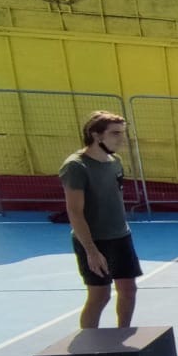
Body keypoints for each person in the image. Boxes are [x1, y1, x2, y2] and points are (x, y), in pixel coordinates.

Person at [62, 111, 142, 329]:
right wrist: (91, 250)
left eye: (122, 133)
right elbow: (75, 212)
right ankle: (89, 345)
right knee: (100, 295)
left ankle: (121, 335)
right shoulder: (76, 167)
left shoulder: (115, 162)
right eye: (115, 133)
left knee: (128, 290)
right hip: (95, 240)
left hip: (120, 236)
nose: (121, 139)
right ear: (96, 135)